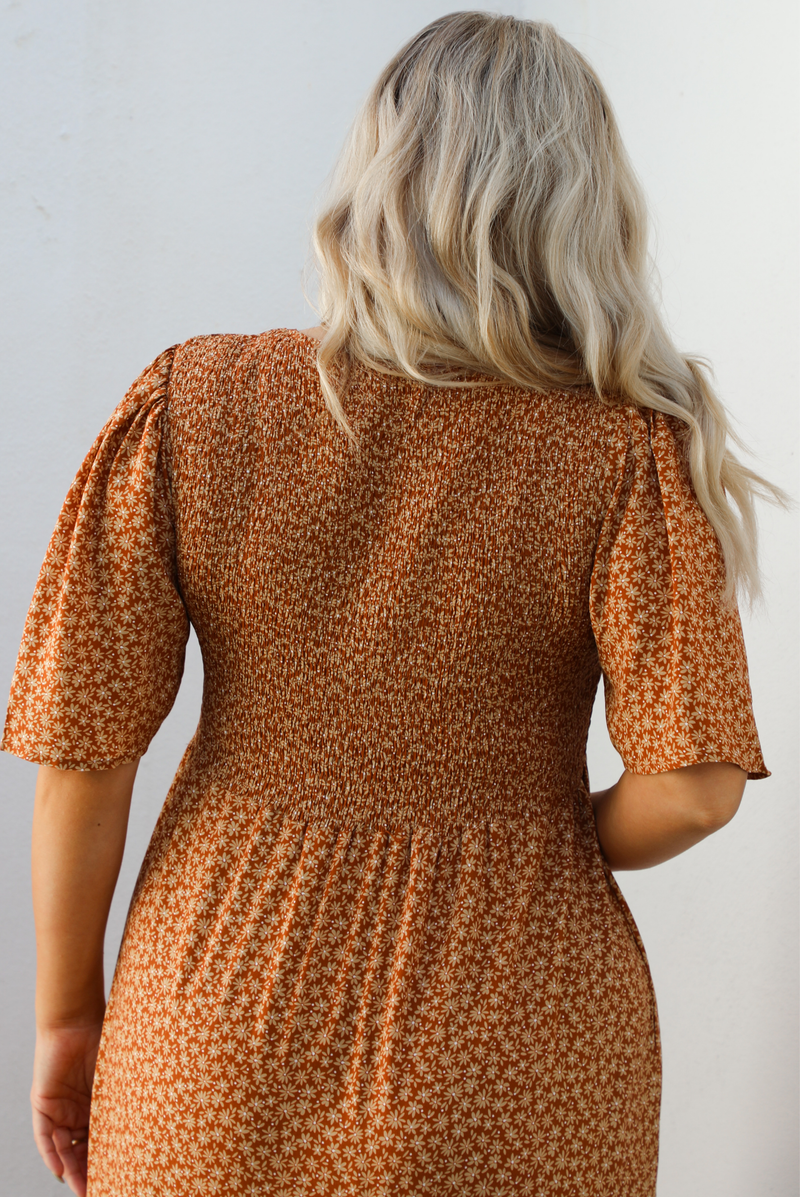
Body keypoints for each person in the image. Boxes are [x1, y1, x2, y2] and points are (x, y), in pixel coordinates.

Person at [1, 12, 784, 1197]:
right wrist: (538, 838)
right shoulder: (625, 448)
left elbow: (84, 753)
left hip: (211, 1022)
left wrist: (67, 1023)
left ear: (375, 181)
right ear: (582, 205)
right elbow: (692, 791)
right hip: (522, 1041)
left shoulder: (195, 401)